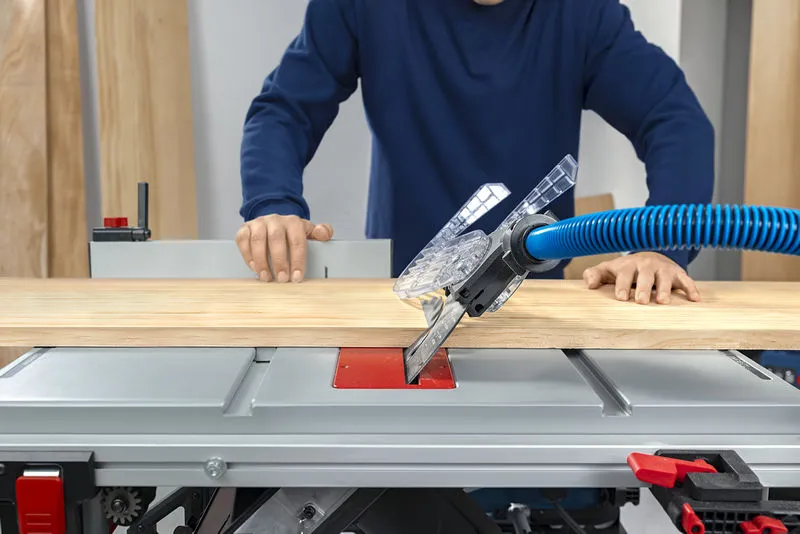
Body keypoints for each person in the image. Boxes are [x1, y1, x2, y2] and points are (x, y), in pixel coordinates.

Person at [236, 0, 714, 306]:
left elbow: (673, 119)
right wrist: (273, 203)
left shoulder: (582, 12)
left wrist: (660, 247)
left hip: (529, 301)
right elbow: (284, 110)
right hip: (402, 296)